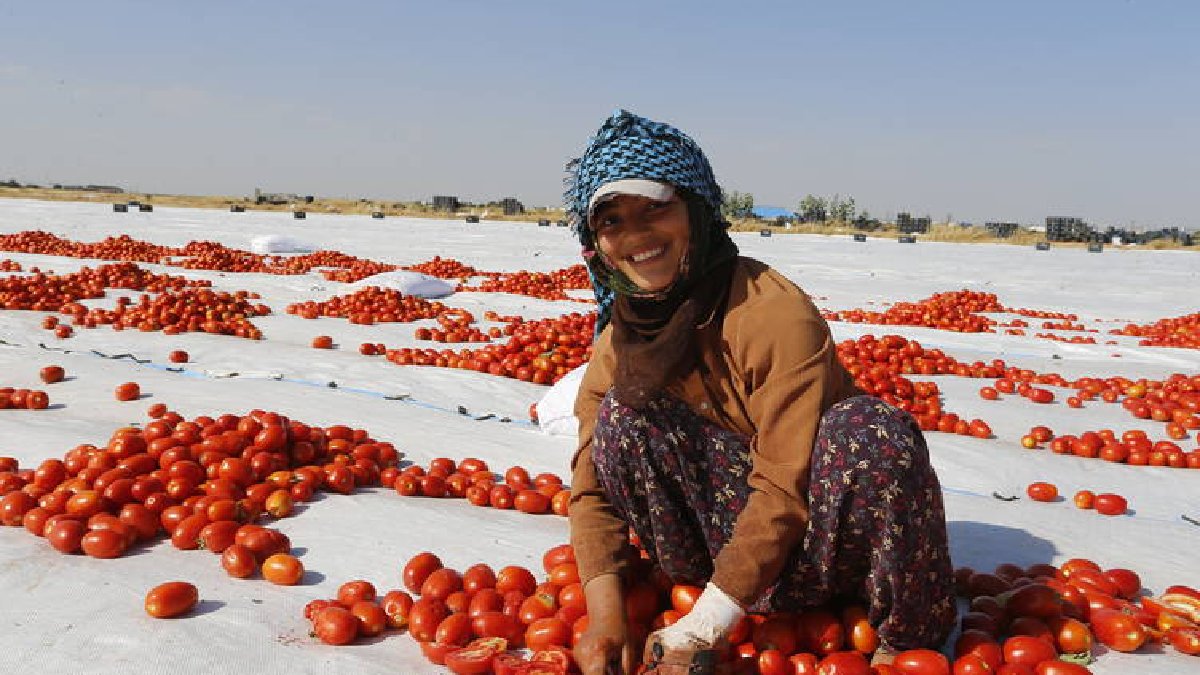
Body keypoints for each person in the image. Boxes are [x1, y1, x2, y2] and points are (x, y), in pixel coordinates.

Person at [564, 110, 956, 675]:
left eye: (657, 208)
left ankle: (907, 639)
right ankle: (723, 596)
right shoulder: (620, 337)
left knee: (873, 434)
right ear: (596, 243)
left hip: (820, 550)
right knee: (622, 413)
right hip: (713, 561)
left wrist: (703, 625)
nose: (638, 236)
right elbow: (592, 483)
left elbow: (784, 480)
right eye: (613, 221)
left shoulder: (769, 309)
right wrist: (607, 619)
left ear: (697, 211)